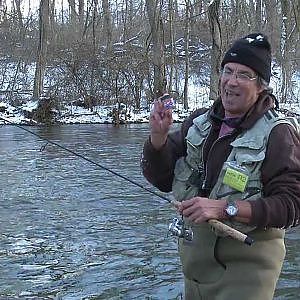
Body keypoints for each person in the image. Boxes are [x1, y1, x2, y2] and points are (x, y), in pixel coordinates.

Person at [141, 33, 300, 300]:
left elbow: (292, 205)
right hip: (195, 264)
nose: (232, 81)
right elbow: (162, 179)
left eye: (244, 74)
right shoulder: (199, 122)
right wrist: (157, 139)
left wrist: (225, 208)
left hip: (248, 269)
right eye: (228, 71)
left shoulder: (279, 133)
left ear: (261, 86)